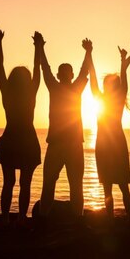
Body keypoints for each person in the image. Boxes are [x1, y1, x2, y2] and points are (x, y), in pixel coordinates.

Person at [38, 36, 92, 220]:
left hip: (70, 144)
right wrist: (40, 48)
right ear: (63, 75)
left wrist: (88, 52)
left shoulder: (68, 87)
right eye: (65, 72)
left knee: (73, 184)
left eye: (67, 72)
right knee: (54, 184)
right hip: (61, 144)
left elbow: (83, 71)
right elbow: (46, 69)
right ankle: (48, 218)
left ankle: (76, 219)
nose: (67, 74)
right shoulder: (58, 86)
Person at [0, 30, 43, 227]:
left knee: (8, 183)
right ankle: (22, 219)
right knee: (25, 184)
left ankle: (6, 218)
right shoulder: (31, 91)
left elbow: (0, 67)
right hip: (28, 140)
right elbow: (37, 68)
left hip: (11, 139)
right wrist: (38, 47)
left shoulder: (7, 91)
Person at [89, 42, 130, 219]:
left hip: (109, 144)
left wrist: (125, 60)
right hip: (110, 144)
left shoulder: (111, 99)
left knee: (116, 186)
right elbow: (93, 78)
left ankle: (122, 220)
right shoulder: (105, 99)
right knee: (111, 186)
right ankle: (122, 220)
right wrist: (89, 54)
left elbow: (122, 77)